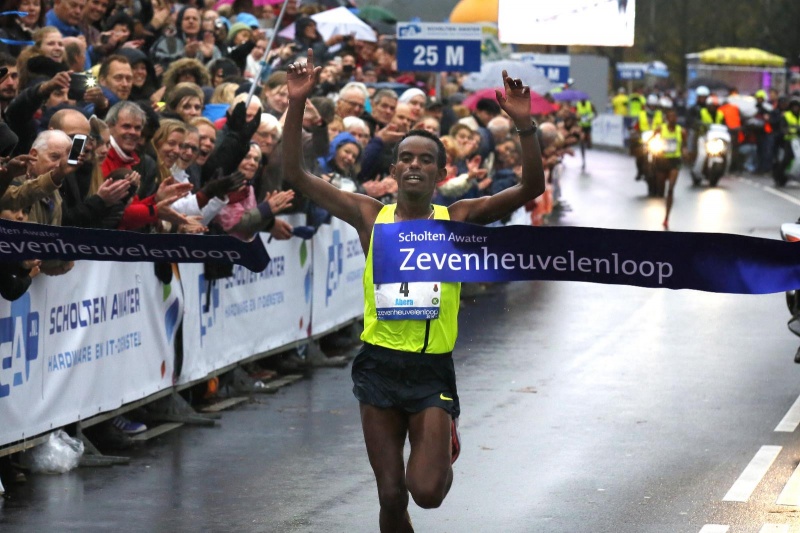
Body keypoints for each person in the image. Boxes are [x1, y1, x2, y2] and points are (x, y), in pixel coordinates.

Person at [283, 50, 544, 532]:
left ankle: (445, 438)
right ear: (395, 169)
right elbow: (296, 175)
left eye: (427, 160)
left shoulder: (457, 219)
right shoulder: (369, 215)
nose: (415, 166)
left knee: (426, 494)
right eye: (406, 158)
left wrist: (525, 126)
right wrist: (296, 102)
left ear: (442, 174)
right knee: (389, 494)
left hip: (430, 370)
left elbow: (530, 188)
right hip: (378, 364)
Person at [655, 106, 685, 230]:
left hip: (674, 161)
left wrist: (685, 151)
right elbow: (651, 140)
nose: (673, 118)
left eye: (675, 116)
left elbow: (684, 145)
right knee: (660, 189)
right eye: (670, 116)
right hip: (662, 161)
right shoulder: (660, 129)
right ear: (666, 118)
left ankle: (667, 218)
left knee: (671, 189)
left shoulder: (681, 131)